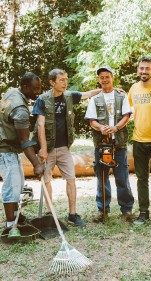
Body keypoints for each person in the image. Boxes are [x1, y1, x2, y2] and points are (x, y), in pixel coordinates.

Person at [32, 68, 101, 227]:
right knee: (47, 180)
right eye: (61, 80)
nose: (65, 83)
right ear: (52, 82)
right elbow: (40, 124)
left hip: (64, 149)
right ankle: (51, 216)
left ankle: (72, 214)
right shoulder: (42, 100)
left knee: (71, 179)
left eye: (66, 79)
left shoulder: (69, 96)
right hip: (47, 148)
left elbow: (87, 94)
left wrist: (106, 89)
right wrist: (42, 148)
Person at [0, 72, 44, 233]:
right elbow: (24, 142)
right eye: (35, 89)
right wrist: (37, 165)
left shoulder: (13, 91)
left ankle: (17, 215)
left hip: (4, 143)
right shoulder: (20, 110)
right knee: (12, 184)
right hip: (2, 147)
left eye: (39, 88)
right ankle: (11, 224)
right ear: (25, 87)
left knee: (19, 181)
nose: (37, 92)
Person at [85, 66, 135, 223]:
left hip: (118, 143)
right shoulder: (94, 99)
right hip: (102, 145)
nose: (105, 79)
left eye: (107, 76)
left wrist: (116, 127)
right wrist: (101, 128)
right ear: (99, 80)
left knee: (122, 177)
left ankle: (126, 210)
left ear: (112, 77)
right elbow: (91, 120)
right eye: (101, 77)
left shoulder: (121, 96)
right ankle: (103, 210)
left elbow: (127, 115)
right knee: (102, 177)